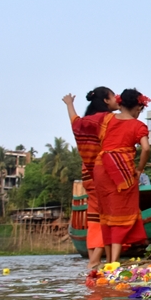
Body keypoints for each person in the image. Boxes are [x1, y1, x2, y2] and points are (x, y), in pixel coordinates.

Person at [93, 89, 151, 263]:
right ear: (138, 107)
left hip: (101, 167)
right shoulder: (138, 125)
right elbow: (146, 148)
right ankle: (114, 262)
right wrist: (140, 168)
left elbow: (84, 125)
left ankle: (109, 259)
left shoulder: (107, 119)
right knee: (122, 213)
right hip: (121, 170)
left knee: (107, 214)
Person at [63, 87, 118, 269]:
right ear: (105, 101)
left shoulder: (82, 123)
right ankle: (98, 261)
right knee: (108, 217)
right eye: (113, 96)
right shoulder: (108, 119)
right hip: (104, 172)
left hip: (87, 173)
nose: (116, 99)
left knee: (94, 217)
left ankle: (93, 261)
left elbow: (73, 119)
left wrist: (69, 104)